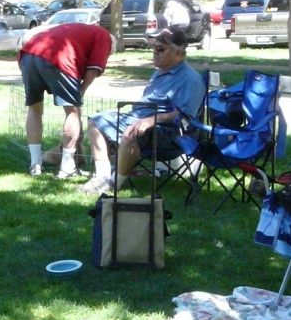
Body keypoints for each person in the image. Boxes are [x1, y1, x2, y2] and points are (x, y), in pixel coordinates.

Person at [80, 26, 205, 196]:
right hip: (138, 120)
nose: (154, 52)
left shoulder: (190, 79)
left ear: (178, 53)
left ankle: (113, 184)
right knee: (95, 120)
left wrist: (151, 120)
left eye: (160, 49)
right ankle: (102, 177)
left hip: (170, 133)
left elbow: (185, 115)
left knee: (132, 132)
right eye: (153, 46)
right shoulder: (159, 73)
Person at [18, 22, 113, 178]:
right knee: (72, 111)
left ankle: (35, 164)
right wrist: (80, 92)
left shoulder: (82, 30)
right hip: (58, 55)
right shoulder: (104, 35)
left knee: (34, 108)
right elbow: (94, 69)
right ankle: (67, 167)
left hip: (28, 53)